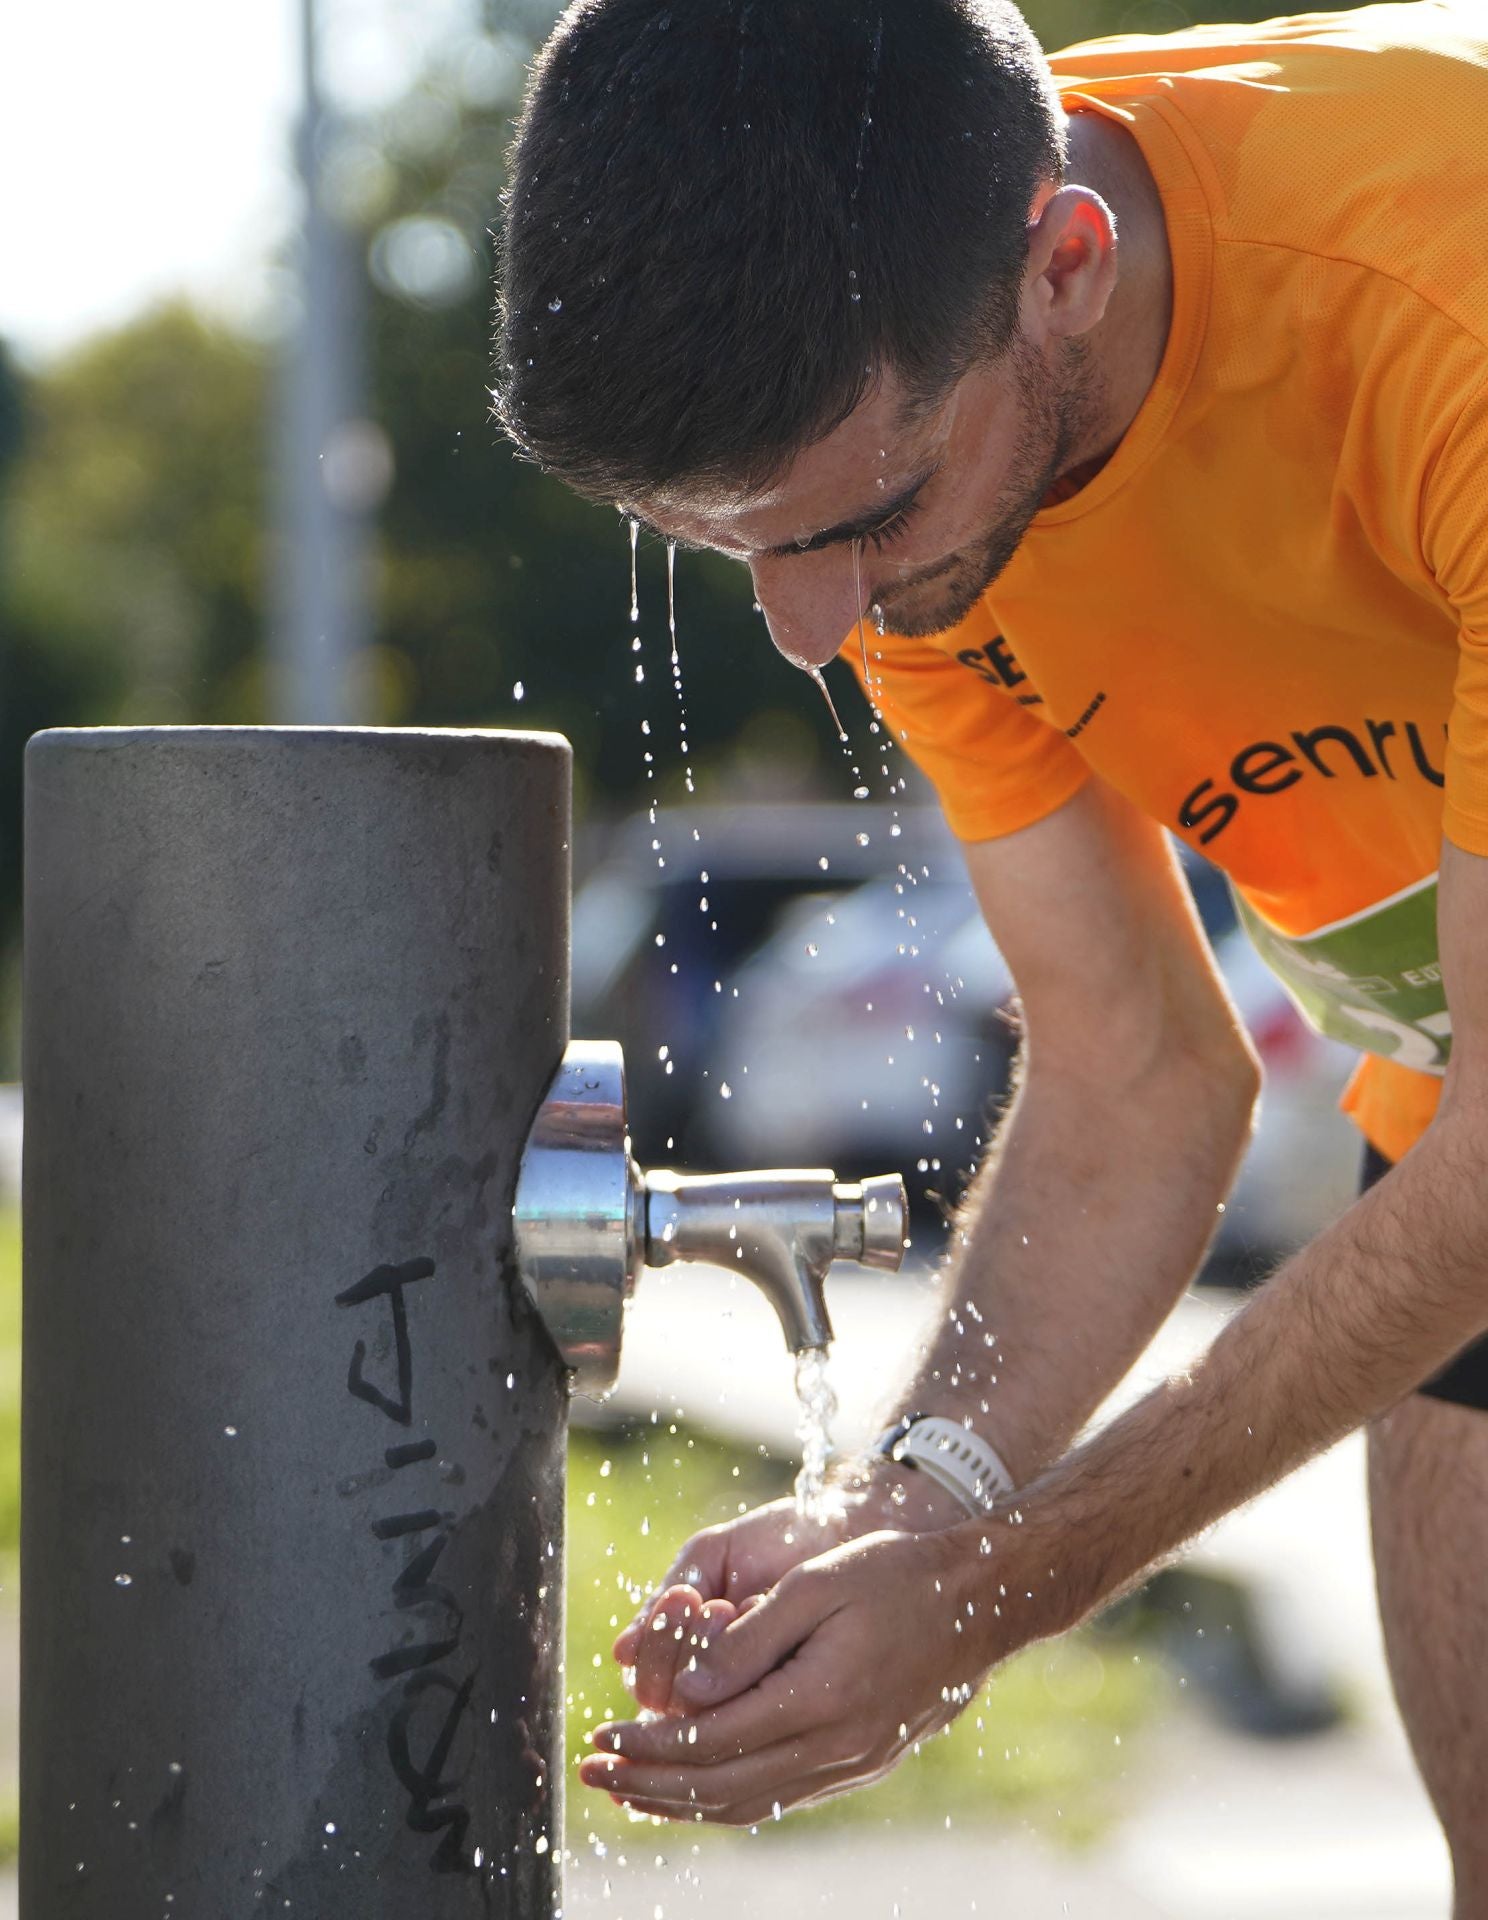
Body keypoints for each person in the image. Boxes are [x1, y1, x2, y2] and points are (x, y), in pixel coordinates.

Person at [494, 0, 1488, 1899]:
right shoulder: (904, 435)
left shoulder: (1442, 295)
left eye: (857, 523)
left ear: (1065, 268)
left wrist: (993, 1589)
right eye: (736, 550)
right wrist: (908, 1499)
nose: (812, 626)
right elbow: (1133, 1071)